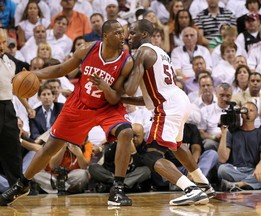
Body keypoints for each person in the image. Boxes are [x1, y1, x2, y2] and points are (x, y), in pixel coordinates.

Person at [0, 20, 134, 206]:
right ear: (105, 36)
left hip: (106, 107)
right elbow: (61, 69)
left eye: (123, 33)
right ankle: (22, 184)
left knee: (126, 132)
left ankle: (117, 189)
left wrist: (104, 86)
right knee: (50, 147)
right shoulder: (87, 49)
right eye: (118, 33)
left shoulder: (126, 61)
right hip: (79, 105)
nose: (123, 37)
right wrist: (35, 74)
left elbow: (114, 98)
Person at [123, 19, 214, 206]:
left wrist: (114, 86)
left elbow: (130, 89)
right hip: (177, 100)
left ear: (145, 35)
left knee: (151, 155)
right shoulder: (161, 53)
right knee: (177, 145)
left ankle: (190, 189)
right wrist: (120, 99)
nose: (128, 37)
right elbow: (148, 98)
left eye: (132, 33)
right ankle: (203, 184)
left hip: (169, 105)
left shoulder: (142, 52)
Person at [0, 28, 34, 197]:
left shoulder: (10, 62)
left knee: (12, 148)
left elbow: (15, 89)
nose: (1, 45)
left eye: (3, 42)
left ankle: (17, 185)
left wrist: (27, 107)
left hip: (7, 107)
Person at [218, 102, 261, 191]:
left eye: (251, 110)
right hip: (237, 170)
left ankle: (239, 184)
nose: (248, 113)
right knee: (222, 169)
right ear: (241, 113)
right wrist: (224, 133)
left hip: (255, 170)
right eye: (245, 110)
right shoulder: (232, 133)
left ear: (256, 114)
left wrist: (259, 167)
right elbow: (222, 159)